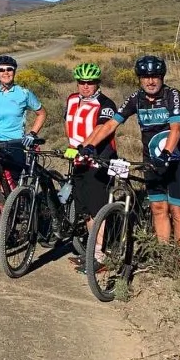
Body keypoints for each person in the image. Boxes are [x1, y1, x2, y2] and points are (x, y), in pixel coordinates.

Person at [79, 55, 180, 251]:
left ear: (162, 77)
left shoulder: (172, 95)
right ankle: (164, 253)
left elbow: (176, 129)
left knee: (178, 210)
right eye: (145, 77)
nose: (150, 81)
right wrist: (91, 145)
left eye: (155, 76)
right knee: (158, 208)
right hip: (150, 160)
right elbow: (111, 124)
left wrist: (165, 154)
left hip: (174, 158)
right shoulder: (135, 98)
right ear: (139, 79)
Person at [59, 62, 119, 270]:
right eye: (82, 82)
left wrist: (85, 147)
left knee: (97, 209)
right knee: (85, 210)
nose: (85, 86)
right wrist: (71, 145)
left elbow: (102, 128)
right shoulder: (72, 99)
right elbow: (68, 123)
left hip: (99, 160)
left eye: (90, 83)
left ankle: (101, 257)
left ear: (97, 83)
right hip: (78, 160)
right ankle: (92, 252)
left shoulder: (106, 104)